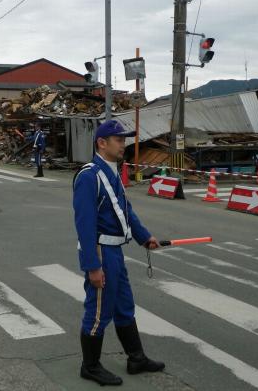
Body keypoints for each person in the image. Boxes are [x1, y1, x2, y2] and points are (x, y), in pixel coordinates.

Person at [73, 120, 165, 386]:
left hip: (115, 251)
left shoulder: (112, 172)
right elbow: (84, 225)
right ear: (102, 143)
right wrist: (92, 266)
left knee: (124, 306)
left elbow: (126, 211)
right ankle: (89, 366)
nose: (123, 144)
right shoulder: (89, 176)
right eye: (118, 140)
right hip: (101, 251)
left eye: (124, 140)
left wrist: (144, 237)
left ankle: (136, 358)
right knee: (99, 310)